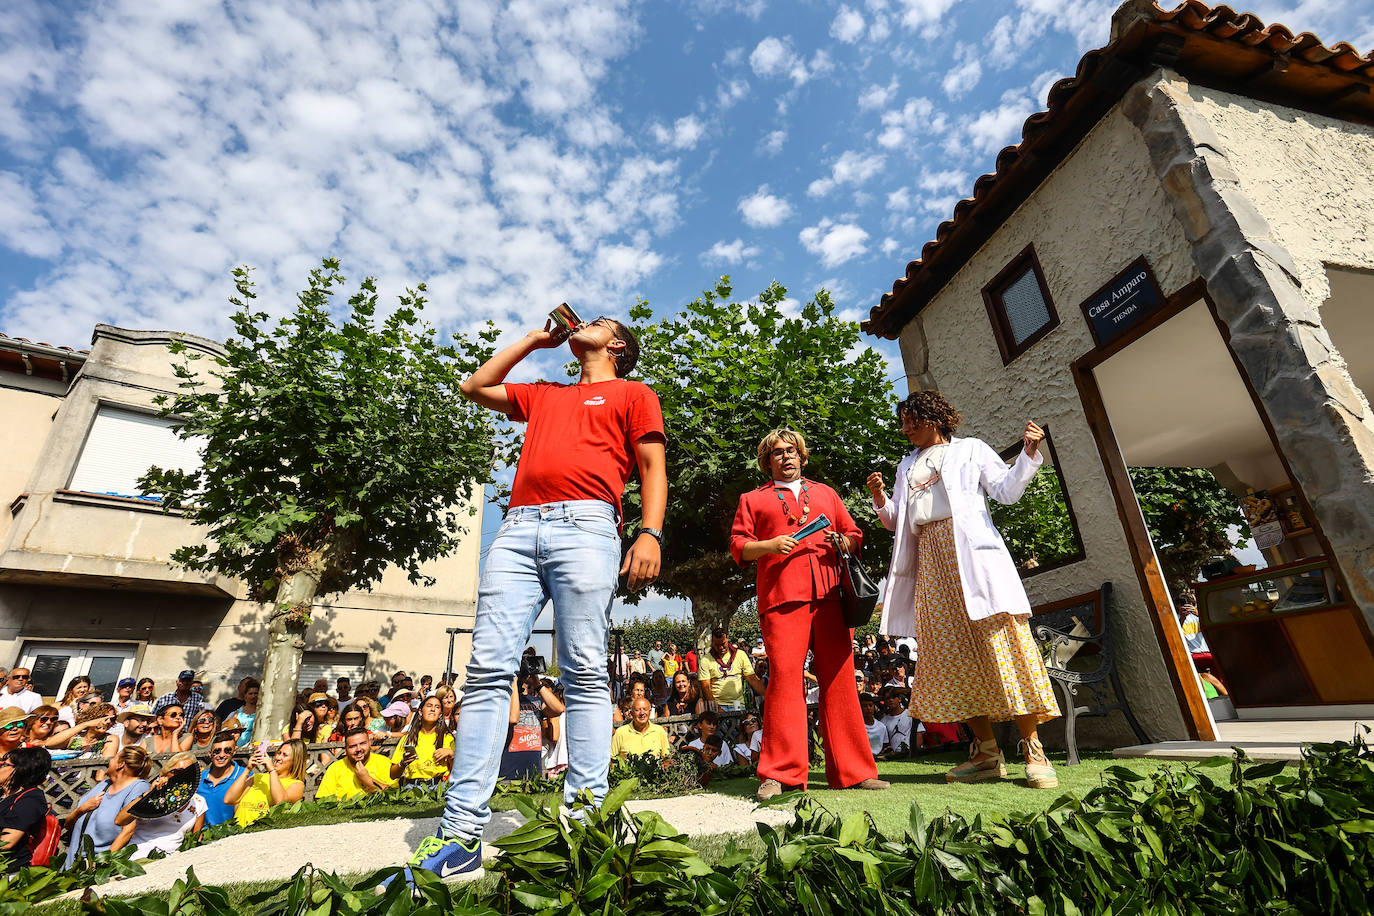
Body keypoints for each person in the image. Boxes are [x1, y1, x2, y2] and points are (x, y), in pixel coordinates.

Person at [403, 311, 667, 881]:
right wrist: (533, 340)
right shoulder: (546, 393)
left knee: (585, 672)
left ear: (617, 344)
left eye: (599, 322)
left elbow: (652, 466)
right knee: (486, 670)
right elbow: (475, 387)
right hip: (518, 528)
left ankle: (586, 821)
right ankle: (461, 831)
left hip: (589, 526)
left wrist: (650, 532)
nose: (584, 323)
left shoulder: (634, 393)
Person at [868, 391, 1060, 789]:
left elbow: (1006, 491)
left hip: (973, 558)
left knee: (1004, 646)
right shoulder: (907, 465)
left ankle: (1032, 748)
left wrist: (1028, 454)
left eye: (911, 420)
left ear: (934, 418)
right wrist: (880, 499)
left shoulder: (971, 449)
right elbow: (897, 521)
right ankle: (987, 753)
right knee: (952, 655)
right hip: (930, 562)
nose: (905, 428)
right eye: (903, 422)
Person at [729, 427, 886, 800]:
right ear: (767, 461)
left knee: (841, 680)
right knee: (784, 682)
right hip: (782, 598)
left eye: (792, 451)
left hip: (831, 594)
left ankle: (854, 772)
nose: (786, 457)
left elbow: (854, 534)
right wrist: (768, 545)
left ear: (802, 456)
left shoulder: (827, 494)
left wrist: (842, 540)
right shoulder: (752, 499)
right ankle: (779, 774)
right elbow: (738, 545)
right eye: (778, 453)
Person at [63, 746, 152, 869]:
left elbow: (129, 831)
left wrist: (103, 863)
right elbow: (68, 825)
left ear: (121, 764)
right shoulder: (105, 784)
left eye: (114, 758)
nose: (109, 761)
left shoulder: (138, 788)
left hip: (97, 865)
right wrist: (82, 809)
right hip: (73, 861)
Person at [111, 752, 206, 857]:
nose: (181, 776)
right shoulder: (152, 795)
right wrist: (149, 795)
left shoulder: (198, 802)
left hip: (171, 858)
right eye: (177, 772)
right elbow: (120, 820)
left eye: (187, 772)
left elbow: (196, 837)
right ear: (166, 773)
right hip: (138, 855)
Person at [226, 739, 306, 826]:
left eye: (285, 755)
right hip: (239, 832)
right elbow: (229, 799)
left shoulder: (297, 784)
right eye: (279, 753)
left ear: (295, 760)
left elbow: (280, 803)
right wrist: (248, 769)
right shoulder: (258, 777)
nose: (278, 758)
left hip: (263, 834)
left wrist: (272, 770)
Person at [499, 673, 565, 780]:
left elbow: (558, 710)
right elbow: (513, 719)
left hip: (533, 771)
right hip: (508, 771)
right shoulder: (504, 702)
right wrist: (513, 680)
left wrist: (537, 684)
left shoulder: (536, 701)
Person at [0, 746, 52, 872]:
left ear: (20, 769)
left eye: (3, 764)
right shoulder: (3, 794)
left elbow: (6, 842)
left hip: (9, 872)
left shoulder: (31, 799)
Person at [389, 694, 455, 784]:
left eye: (437, 707)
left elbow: (458, 771)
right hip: (411, 789)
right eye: (429, 706)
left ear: (440, 714)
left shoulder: (447, 738)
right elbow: (393, 775)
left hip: (438, 788)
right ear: (420, 712)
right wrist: (403, 763)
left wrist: (451, 754)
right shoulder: (407, 739)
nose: (433, 709)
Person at [697, 629, 766, 712]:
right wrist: (717, 708)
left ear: (728, 640)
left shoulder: (740, 655)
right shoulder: (706, 660)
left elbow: (752, 679)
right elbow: (705, 688)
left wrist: (767, 697)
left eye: (723, 644)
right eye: (716, 645)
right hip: (718, 705)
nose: (720, 647)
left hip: (738, 703)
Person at [317, 729, 395, 800]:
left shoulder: (383, 762)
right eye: (352, 746)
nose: (358, 749)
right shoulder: (335, 768)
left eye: (362, 743)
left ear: (369, 744)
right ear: (346, 749)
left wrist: (367, 780)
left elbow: (393, 795)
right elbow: (323, 800)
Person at [198, 732, 249, 827]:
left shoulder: (245, 776)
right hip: (202, 836)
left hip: (231, 835)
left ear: (234, 751)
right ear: (210, 753)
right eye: (217, 751)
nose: (221, 755)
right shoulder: (200, 779)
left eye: (227, 750)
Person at [221, 679, 259, 747]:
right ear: (245, 695)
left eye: (256, 693)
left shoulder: (261, 713)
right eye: (250, 693)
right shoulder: (237, 713)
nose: (253, 696)